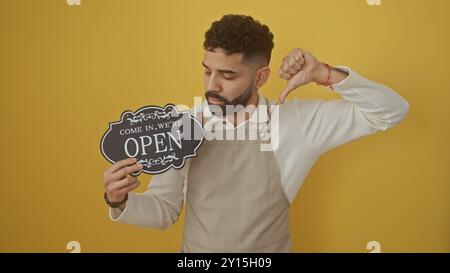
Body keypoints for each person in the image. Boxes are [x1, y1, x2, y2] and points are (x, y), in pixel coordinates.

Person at [102, 14, 410, 252]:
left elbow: (391, 111)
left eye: (227, 75)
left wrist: (325, 74)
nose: (212, 86)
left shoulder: (296, 122)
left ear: (260, 76)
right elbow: (164, 211)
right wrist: (120, 201)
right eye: (207, 70)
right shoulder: (182, 125)